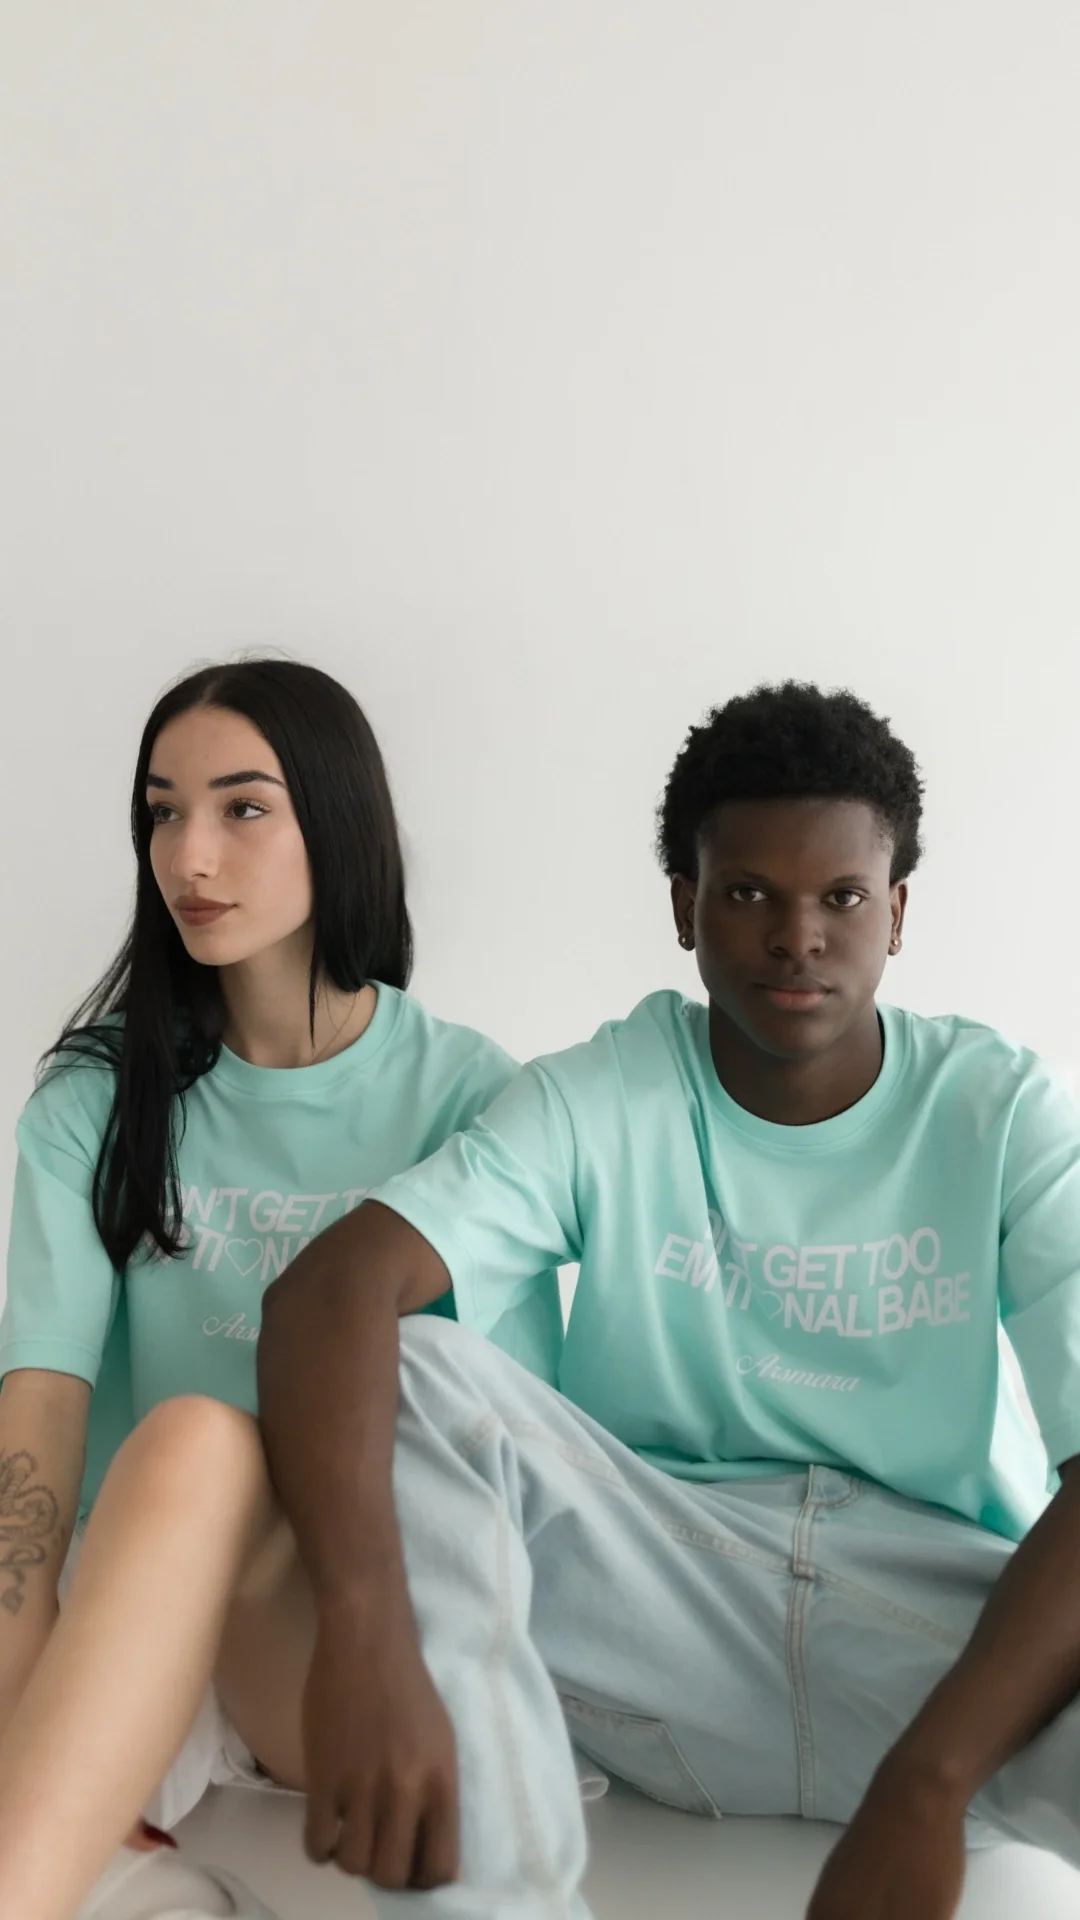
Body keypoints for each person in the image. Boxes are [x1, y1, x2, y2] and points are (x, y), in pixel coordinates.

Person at [248, 679, 1080, 1920]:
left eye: (842, 897)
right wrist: (366, 1641)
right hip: (660, 1611)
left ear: (897, 912)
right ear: (685, 905)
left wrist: (930, 1783)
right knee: (415, 1365)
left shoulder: (1001, 1109)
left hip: (931, 1643)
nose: (797, 936)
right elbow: (330, 1292)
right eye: (748, 894)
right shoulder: (609, 1091)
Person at [0, 657, 562, 1920]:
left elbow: (505, 1446)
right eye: (163, 812)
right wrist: (15, 1697)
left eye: (243, 808)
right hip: (140, 1598)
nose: (189, 856)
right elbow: (36, 1416)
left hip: (361, 1631)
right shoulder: (95, 1099)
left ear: (338, 825)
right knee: (192, 1444)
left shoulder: (469, 1098)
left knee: (212, 1434)